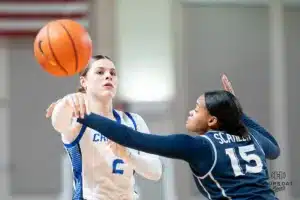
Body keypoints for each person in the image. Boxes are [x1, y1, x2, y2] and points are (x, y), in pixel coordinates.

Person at [75, 74, 280, 200]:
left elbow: (131, 137)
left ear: (212, 121)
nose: (191, 111)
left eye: (197, 109)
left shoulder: (201, 146)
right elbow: (275, 150)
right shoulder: (252, 139)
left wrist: (82, 114)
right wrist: (239, 113)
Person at [46, 55, 162, 200]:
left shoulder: (133, 121)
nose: (108, 76)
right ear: (84, 81)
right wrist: (65, 102)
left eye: (113, 73)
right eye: (100, 72)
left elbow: (156, 172)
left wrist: (127, 155)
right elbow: (58, 122)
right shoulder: (78, 119)